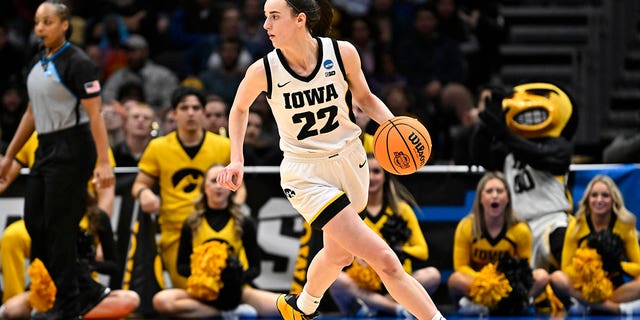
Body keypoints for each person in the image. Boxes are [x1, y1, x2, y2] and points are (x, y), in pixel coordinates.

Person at [216, 1, 446, 319]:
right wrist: (236, 159)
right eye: (265, 17)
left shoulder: (341, 54)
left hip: (351, 160)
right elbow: (239, 108)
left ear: (299, 19)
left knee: (339, 256)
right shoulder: (264, 70)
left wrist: (395, 126)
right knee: (386, 261)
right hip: (306, 173)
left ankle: (303, 307)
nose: (265, 25)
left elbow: (364, 99)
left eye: (273, 17)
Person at [0, 2, 115, 318]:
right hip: (46, 146)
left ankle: (68, 303)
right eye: (37, 22)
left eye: (47, 21)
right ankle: (84, 287)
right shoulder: (37, 61)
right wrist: (9, 156)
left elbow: (95, 116)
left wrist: (103, 163)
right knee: (35, 222)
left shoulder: (78, 62)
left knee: (58, 227)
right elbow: (30, 113)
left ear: (64, 24)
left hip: (74, 146)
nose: (40, 28)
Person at [131, 85, 231, 289]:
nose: (191, 113)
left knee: (221, 286)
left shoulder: (224, 146)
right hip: (175, 232)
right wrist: (144, 194)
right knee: (191, 289)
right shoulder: (158, 147)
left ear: (203, 113)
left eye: (196, 108)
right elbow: (139, 184)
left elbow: (241, 188)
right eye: (184, 108)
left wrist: (235, 210)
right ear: (174, 114)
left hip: (217, 230)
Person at [152, 164, 281, 317]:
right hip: (203, 291)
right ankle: (226, 313)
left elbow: (255, 268)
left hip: (236, 290)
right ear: (204, 187)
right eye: (214, 181)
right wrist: (207, 274)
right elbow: (181, 266)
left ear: (232, 187)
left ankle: (228, 308)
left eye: (223, 181)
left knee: (281, 305)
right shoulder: (192, 223)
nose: (219, 187)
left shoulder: (243, 222)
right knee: (161, 301)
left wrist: (233, 277)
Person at [329, 153, 441, 317]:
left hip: (396, 276)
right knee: (336, 279)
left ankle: (374, 306)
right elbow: (337, 250)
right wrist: (358, 256)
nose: (372, 177)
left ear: (385, 177)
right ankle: (396, 308)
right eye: (367, 172)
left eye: (376, 172)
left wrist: (392, 252)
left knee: (432, 275)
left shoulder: (402, 210)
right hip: (364, 283)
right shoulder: (350, 212)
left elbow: (422, 251)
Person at [0, 190, 140, 319]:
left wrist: (87, 264)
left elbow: (114, 266)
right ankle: (65, 312)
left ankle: (68, 314)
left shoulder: (98, 216)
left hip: (85, 289)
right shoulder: (45, 219)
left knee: (131, 299)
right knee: (9, 311)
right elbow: (36, 261)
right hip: (52, 288)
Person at [447, 171, 549, 315]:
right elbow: (461, 266)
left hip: (509, 287)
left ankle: (517, 303)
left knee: (542, 276)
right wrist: (486, 281)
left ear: (508, 197)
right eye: (489, 191)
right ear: (480, 198)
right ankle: (479, 305)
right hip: (478, 284)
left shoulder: (520, 229)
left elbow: (525, 268)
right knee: (455, 280)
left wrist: (503, 284)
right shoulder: (466, 226)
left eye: (499, 191)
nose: (495, 195)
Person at [549, 175, 640, 315]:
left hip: (614, 288)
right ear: (587, 199)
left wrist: (619, 266)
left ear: (613, 200)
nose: (599, 200)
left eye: (605, 195)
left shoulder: (624, 225)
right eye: (594, 195)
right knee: (557, 278)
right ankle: (616, 309)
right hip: (583, 287)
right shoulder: (576, 226)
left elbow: (639, 267)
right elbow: (565, 268)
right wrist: (588, 268)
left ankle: (590, 306)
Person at [112, 100, 155, 167]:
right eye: (135, 117)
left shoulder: (159, 153)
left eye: (146, 118)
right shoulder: (113, 154)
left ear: (152, 125)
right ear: (125, 123)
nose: (140, 120)